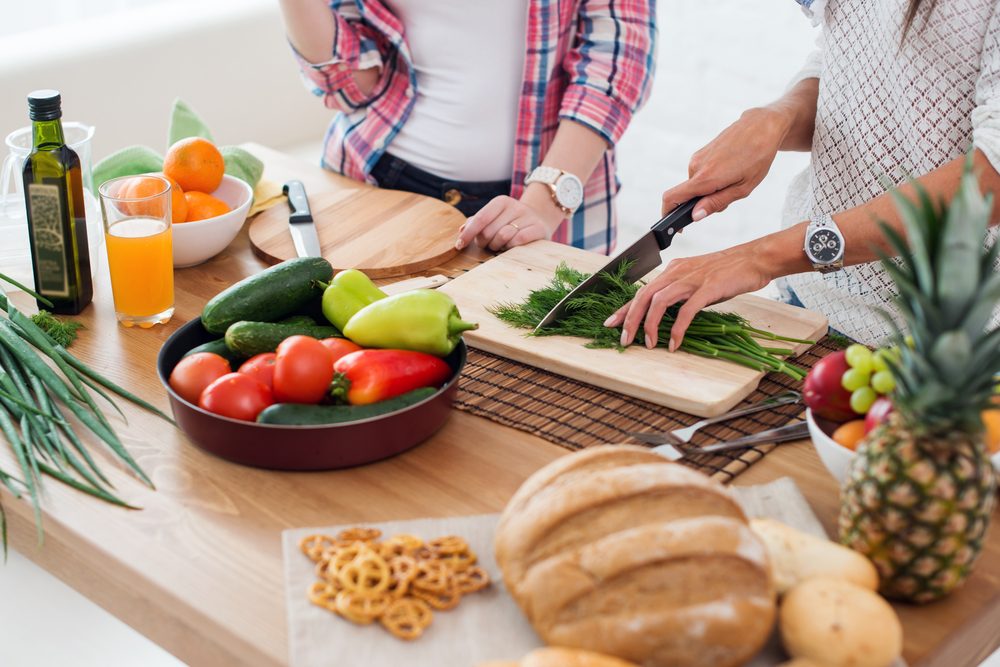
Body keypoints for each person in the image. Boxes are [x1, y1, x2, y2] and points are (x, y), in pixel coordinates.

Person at [607, 0, 1000, 349]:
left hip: (958, 347)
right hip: (812, 306)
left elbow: (991, 180)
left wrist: (760, 257)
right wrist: (777, 119)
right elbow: (848, 56)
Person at [278, 0, 656, 255]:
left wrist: (545, 203)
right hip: (376, 181)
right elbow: (353, 85)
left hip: (540, 201)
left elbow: (617, 63)